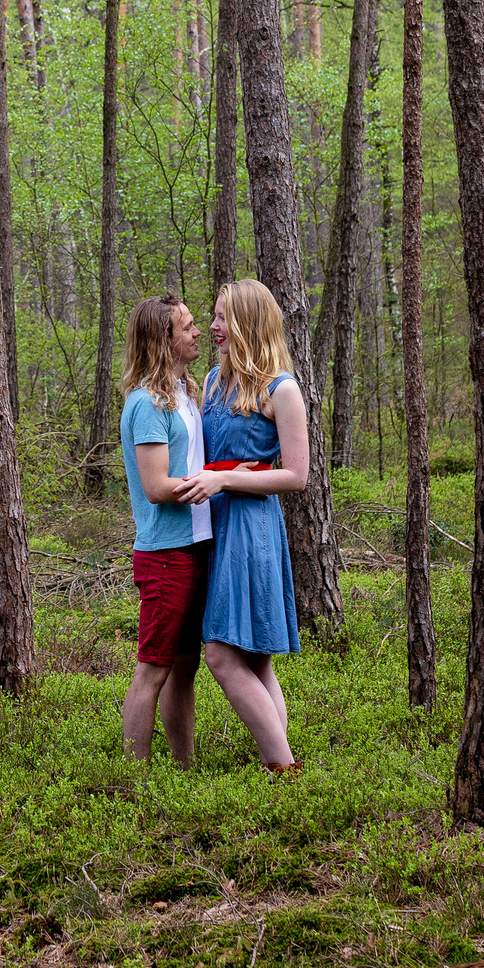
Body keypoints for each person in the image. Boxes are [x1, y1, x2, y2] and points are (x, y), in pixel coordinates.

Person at [178, 278, 304, 774]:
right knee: (254, 661)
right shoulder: (211, 382)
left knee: (221, 655)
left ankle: (284, 767)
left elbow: (297, 474)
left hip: (251, 528)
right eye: (212, 316)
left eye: (223, 317)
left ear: (249, 323)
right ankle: (283, 766)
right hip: (213, 524)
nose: (213, 326)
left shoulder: (282, 388)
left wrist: (230, 479)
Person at [116, 293, 211, 766]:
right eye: (188, 326)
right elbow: (156, 486)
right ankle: (135, 778)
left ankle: (183, 769)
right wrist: (218, 483)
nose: (197, 333)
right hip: (165, 553)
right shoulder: (148, 404)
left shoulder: (185, 394)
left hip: (197, 546)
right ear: (163, 338)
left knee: (185, 668)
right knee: (153, 668)